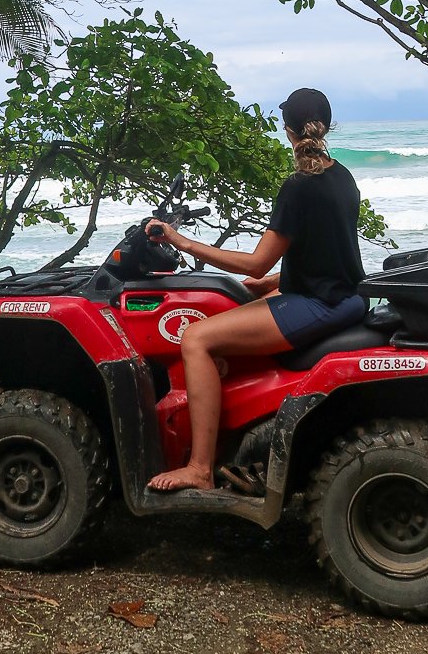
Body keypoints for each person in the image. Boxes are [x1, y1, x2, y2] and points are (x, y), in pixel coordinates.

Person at [145, 87, 367, 492]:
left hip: (321, 304)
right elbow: (331, 252)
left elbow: (255, 262)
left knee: (195, 338)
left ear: (288, 130)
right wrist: (273, 283)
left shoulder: (298, 186)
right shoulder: (342, 177)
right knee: (238, 305)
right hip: (346, 298)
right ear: (326, 127)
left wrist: (182, 243)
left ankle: (199, 467)